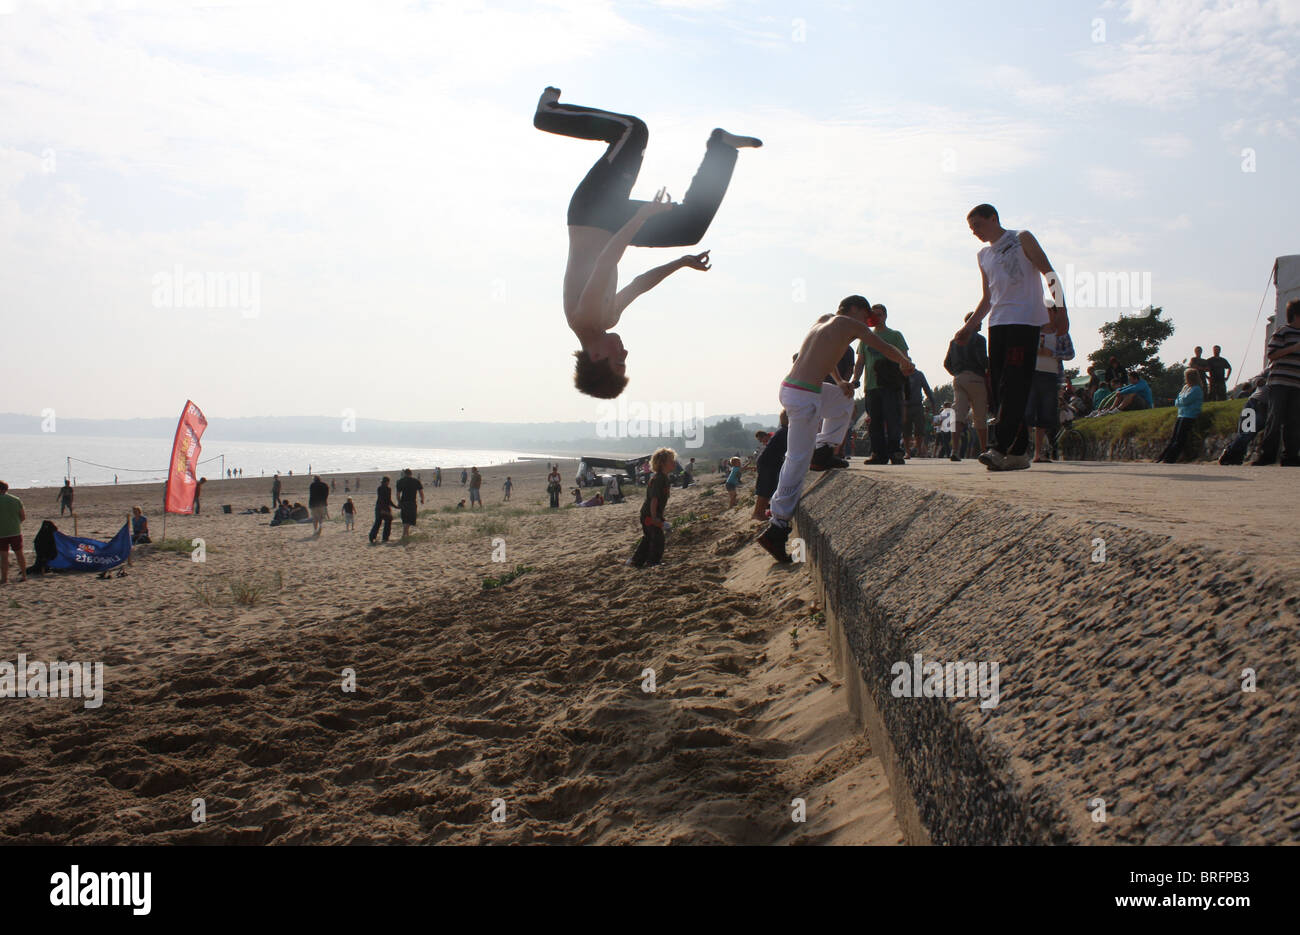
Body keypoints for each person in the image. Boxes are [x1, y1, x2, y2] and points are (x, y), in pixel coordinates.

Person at [535, 87, 761, 398]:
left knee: (632, 130)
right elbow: (640, 283)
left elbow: (607, 261)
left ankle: (548, 115)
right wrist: (681, 263)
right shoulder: (606, 318)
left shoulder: (585, 317)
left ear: (598, 357)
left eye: (620, 363)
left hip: (593, 210)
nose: (625, 355)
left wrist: (641, 216)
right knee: (691, 228)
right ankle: (721, 148)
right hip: (613, 224)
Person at [758, 296, 914, 562]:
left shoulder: (824, 321)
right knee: (797, 459)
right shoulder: (849, 324)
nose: (868, 323)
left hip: (797, 389)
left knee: (844, 401)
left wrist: (840, 381)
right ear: (856, 309)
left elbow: (824, 358)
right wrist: (905, 362)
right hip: (803, 396)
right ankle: (778, 526)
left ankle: (823, 450)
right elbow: (883, 345)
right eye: (867, 317)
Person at [952, 204, 1067, 472]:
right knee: (1001, 389)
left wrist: (1061, 310)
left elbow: (1049, 273)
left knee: (1015, 383)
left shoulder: (1021, 237)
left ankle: (1000, 447)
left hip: (1024, 321)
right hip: (998, 324)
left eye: (978, 225)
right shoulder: (983, 255)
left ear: (994, 218)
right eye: (971, 229)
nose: (975, 232)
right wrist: (970, 326)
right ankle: (1017, 451)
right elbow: (988, 297)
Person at [855, 304, 909, 465]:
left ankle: (895, 452)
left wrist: (905, 372)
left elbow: (905, 357)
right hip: (871, 386)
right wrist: (855, 379)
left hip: (891, 384)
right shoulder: (865, 337)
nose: (877, 318)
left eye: (880, 314)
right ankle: (878, 454)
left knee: (893, 420)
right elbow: (860, 361)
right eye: (874, 315)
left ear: (885, 316)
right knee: (875, 422)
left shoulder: (895, 336)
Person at [1252, 298, 1300, 466]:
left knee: (1294, 421)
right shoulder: (1282, 331)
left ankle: (1290, 456)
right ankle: (1267, 455)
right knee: (1275, 418)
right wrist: (1292, 349)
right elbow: (1271, 355)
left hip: (1297, 384)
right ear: (1295, 315)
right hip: (1280, 382)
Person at [1027, 306, 1074, 462]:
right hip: (1032, 375)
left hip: (1051, 377)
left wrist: (1052, 353)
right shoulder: (1032, 331)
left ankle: (1038, 453)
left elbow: (1070, 354)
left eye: (1049, 311)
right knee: (1027, 414)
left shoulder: (1061, 334)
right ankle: (1022, 450)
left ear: (1055, 314)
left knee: (1044, 415)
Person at [943, 311, 990, 461]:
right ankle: (984, 450)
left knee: (958, 415)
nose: (981, 324)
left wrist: (956, 372)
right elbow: (982, 360)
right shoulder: (980, 339)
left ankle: (954, 450)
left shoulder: (954, 341)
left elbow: (946, 363)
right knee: (980, 416)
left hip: (958, 378)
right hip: (976, 377)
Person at [629, 447, 676, 568]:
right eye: (671, 460)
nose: (674, 463)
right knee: (657, 539)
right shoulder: (659, 478)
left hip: (652, 514)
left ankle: (636, 561)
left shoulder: (664, 478)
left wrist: (660, 517)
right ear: (662, 463)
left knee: (649, 537)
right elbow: (654, 499)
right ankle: (653, 562)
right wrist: (654, 517)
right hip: (649, 514)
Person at [1155, 369, 1204, 463]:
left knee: (1179, 438)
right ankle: (1162, 457)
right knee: (1174, 437)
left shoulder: (1196, 389)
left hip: (1190, 415)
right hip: (1181, 414)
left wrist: (1180, 400)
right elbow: (1177, 401)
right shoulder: (1186, 388)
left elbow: (1184, 400)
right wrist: (1180, 400)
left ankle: (1170, 458)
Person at [1219, 378, 1269, 464]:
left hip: (1263, 404)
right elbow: (1255, 380)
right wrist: (1259, 381)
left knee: (1248, 432)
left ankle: (1231, 453)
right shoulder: (1271, 368)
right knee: (1245, 431)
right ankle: (1235, 455)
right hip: (1254, 401)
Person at [753, 411, 789, 521]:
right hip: (768, 463)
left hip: (770, 462)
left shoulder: (783, 431)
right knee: (765, 489)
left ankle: (760, 512)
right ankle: (758, 513)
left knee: (769, 487)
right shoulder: (785, 432)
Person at [903, 368, 936, 459]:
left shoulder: (918, 374)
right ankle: (907, 452)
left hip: (917, 405)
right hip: (905, 406)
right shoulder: (901, 373)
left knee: (919, 429)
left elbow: (926, 388)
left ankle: (919, 450)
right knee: (906, 430)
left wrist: (932, 401)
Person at [0, 481, 27, 585]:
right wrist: (16, 523)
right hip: (15, 531)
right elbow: (23, 516)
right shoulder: (15, 499)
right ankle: (24, 575)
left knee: (4, 556)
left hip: (2, 533)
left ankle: (4, 578)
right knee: (19, 554)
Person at [395, 468, 424, 540]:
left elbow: (398, 494)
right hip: (412, 502)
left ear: (405, 474)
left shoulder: (400, 481)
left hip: (404, 502)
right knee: (410, 519)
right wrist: (422, 499)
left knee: (405, 518)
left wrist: (399, 502)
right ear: (411, 474)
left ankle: (406, 534)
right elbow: (421, 492)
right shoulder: (416, 481)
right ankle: (405, 534)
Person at [369, 476, 397, 544]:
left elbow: (381, 499)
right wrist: (395, 506)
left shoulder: (379, 488)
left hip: (379, 507)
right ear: (387, 482)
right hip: (384, 508)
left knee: (377, 522)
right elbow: (388, 500)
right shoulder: (388, 489)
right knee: (388, 521)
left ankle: (372, 537)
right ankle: (385, 538)